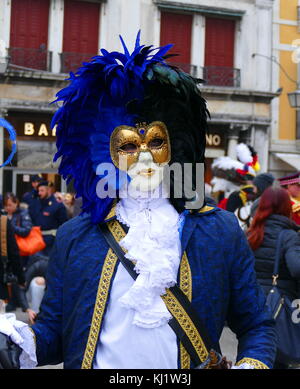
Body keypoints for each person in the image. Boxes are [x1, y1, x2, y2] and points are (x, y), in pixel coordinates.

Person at [0, 33, 276, 369]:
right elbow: (56, 334)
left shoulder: (219, 230)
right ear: (106, 152)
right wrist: (18, 342)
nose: (144, 158)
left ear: (175, 144)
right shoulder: (75, 236)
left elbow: (257, 325)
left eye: (156, 142)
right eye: (129, 146)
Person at [247, 186, 300, 368]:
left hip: (251, 304)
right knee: (278, 355)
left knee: (253, 352)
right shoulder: (289, 236)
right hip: (280, 304)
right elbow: (296, 268)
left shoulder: (250, 234)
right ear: (287, 207)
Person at [31, 180, 68, 256]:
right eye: (39, 191)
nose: (39, 193)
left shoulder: (57, 206)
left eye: (42, 190)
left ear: (48, 190)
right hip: (37, 240)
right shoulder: (36, 204)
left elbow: (64, 225)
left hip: (51, 242)